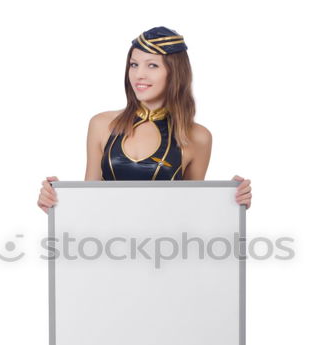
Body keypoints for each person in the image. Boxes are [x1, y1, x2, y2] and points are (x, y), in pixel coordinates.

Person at [37, 26, 252, 213]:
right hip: (105, 250)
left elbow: (192, 212)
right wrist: (55, 204)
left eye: (152, 65)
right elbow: (87, 202)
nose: (139, 74)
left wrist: (231, 201)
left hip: (164, 253)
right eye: (133, 64)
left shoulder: (197, 137)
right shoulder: (102, 125)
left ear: (175, 73)